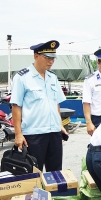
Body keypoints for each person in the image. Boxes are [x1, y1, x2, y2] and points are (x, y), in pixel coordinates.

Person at [10, 40, 67, 172]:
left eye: (53, 58)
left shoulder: (53, 77)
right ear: (36, 56)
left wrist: (60, 125)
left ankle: (54, 194)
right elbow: (16, 107)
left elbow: (56, 103)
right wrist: (18, 134)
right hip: (34, 134)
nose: (51, 61)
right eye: (47, 58)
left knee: (56, 172)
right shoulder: (22, 77)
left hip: (54, 133)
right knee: (34, 173)